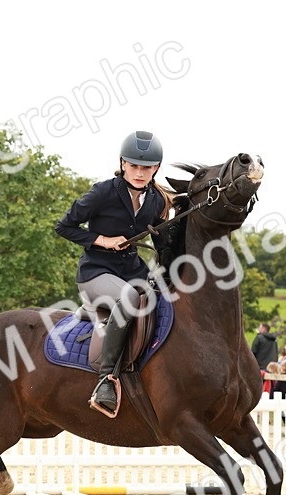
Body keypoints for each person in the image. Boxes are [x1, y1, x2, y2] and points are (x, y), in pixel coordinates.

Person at [54, 130, 172, 415]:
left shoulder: (156, 200)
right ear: (122, 164)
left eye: (147, 167)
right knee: (131, 296)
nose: (140, 172)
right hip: (96, 273)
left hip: (132, 270)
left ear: (156, 168)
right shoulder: (102, 192)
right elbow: (64, 226)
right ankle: (105, 380)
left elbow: (162, 243)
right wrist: (103, 240)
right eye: (134, 165)